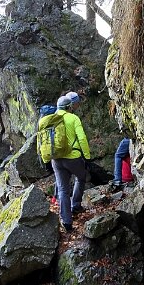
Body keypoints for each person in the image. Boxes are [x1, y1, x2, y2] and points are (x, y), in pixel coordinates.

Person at [52, 93, 91, 231]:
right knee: (81, 177)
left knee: (63, 189)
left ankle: (67, 221)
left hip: (56, 159)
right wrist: (87, 157)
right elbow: (82, 139)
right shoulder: (73, 118)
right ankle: (76, 205)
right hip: (73, 158)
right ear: (69, 107)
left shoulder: (50, 119)